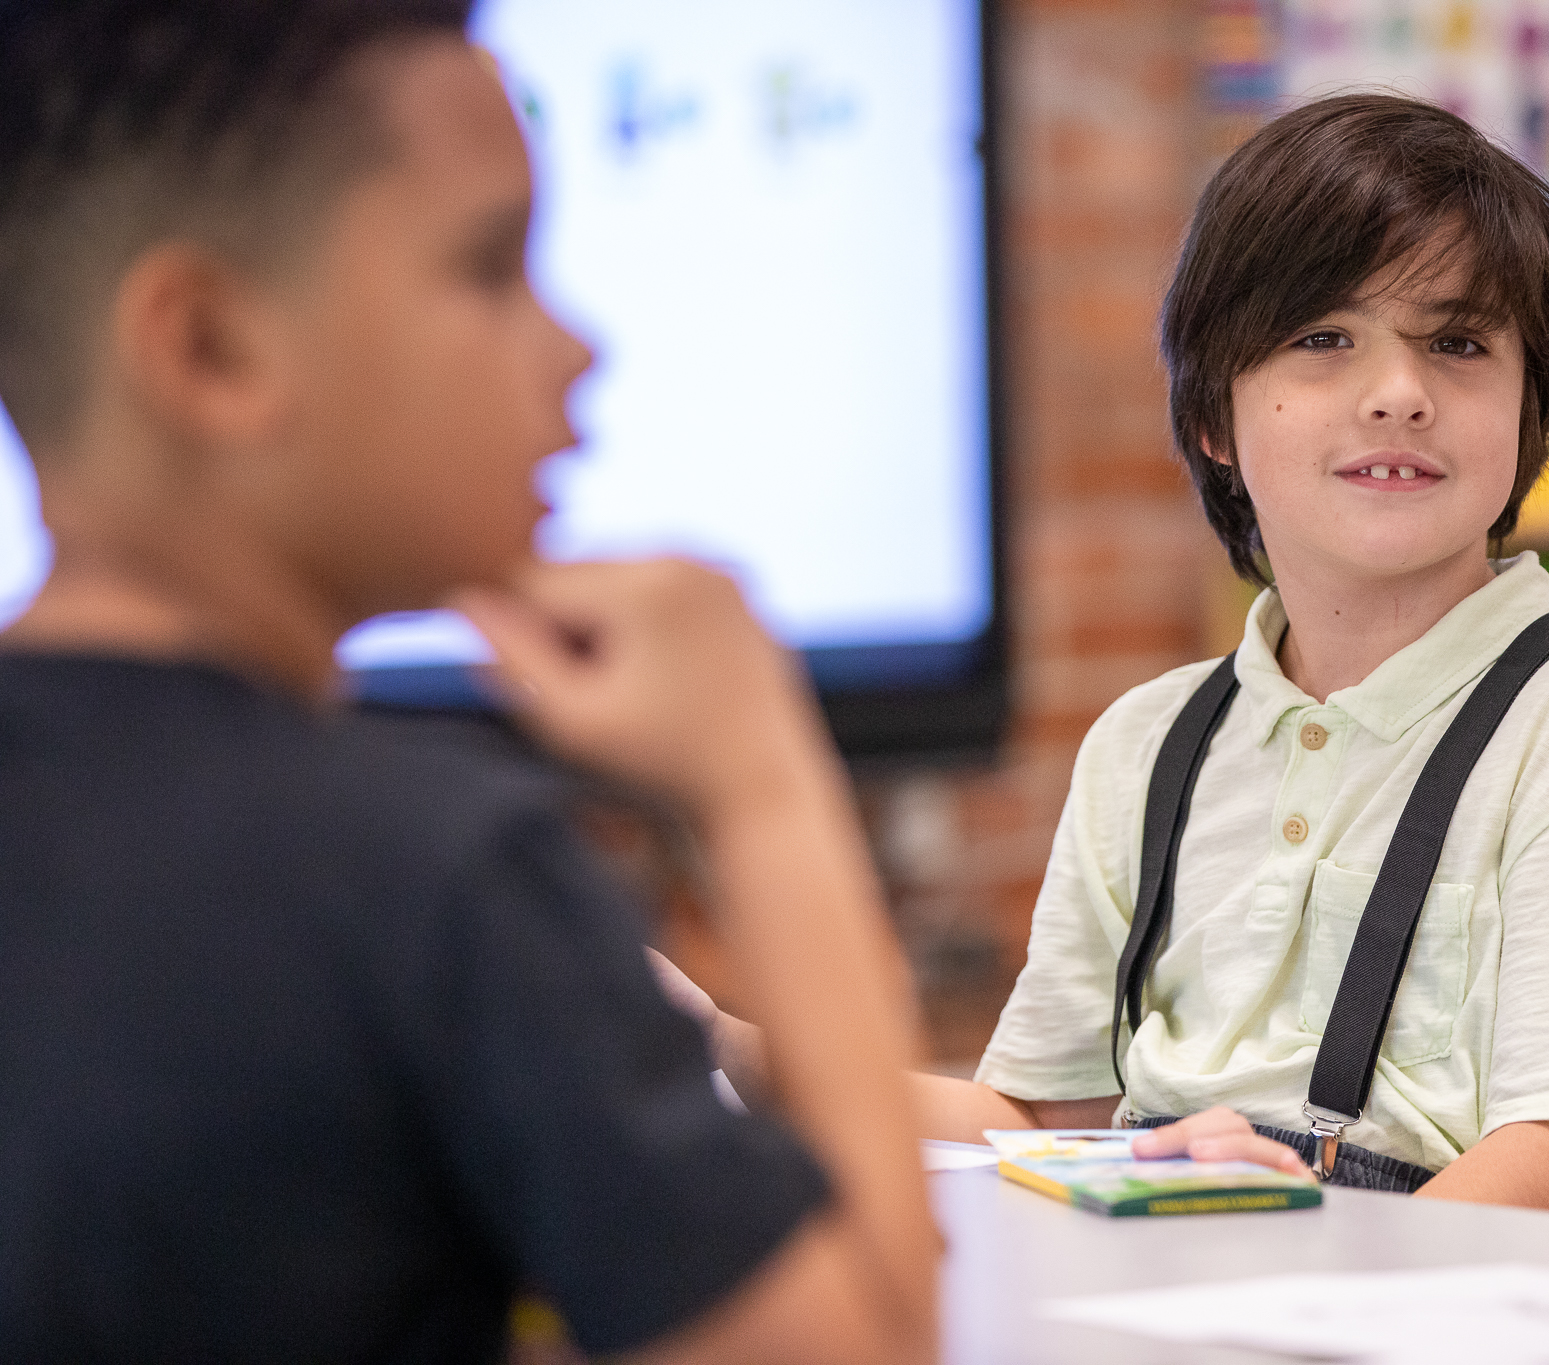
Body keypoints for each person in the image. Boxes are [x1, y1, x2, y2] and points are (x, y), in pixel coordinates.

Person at [0, 2, 936, 1361]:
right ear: (209, 347)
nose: (577, 350)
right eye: (492, 269)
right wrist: (761, 785)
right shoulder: (435, 875)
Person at [691, 94, 1549, 1216]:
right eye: (1323, 339)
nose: (1397, 393)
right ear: (1213, 420)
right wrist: (722, 1046)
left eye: (1456, 343)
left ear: (1532, 410)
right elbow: (1038, 1126)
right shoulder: (1145, 746)